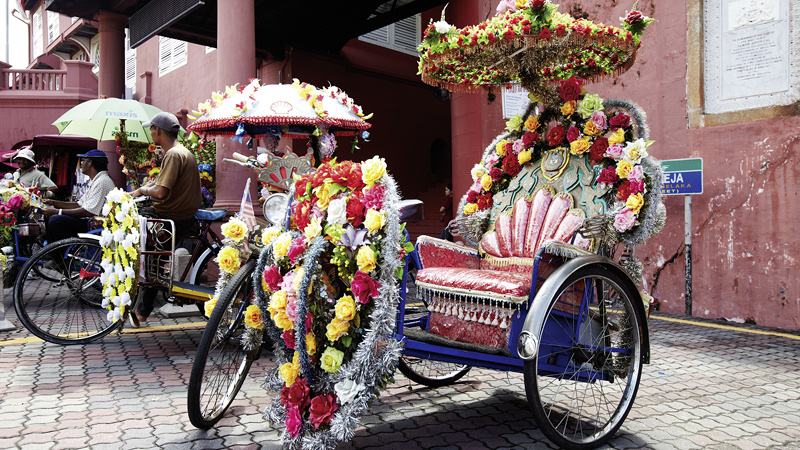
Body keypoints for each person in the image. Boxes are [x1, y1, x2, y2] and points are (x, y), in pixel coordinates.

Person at [130, 112, 202, 326]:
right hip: (176, 214)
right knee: (154, 259)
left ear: (158, 131)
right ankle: (142, 310)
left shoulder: (173, 154)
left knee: (148, 257)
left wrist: (142, 190)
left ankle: (142, 309)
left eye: (151, 129)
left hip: (172, 216)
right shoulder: (180, 152)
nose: (151, 133)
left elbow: (160, 192)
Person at [42, 149, 115, 242]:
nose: (81, 163)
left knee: (56, 220)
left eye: (83, 160)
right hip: (88, 220)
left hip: (93, 224)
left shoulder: (102, 181)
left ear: (90, 163)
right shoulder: (96, 180)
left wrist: (58, 211)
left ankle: (58, 254)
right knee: (49, 216)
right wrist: (54, 203)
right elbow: (79, 204)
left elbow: (89, 212)